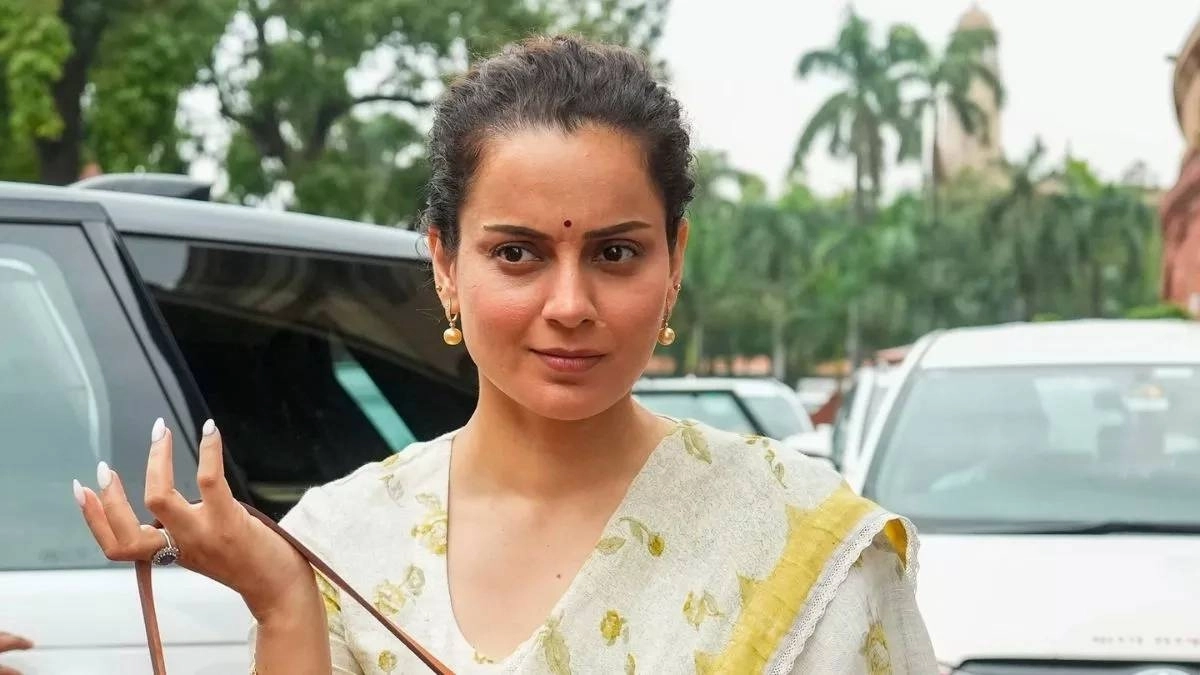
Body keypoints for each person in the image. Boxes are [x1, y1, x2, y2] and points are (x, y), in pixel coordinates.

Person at [74, 35, 936, 674]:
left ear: (675, 260)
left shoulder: (795, 536)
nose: (570, 305)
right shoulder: (341, 542)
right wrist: (282, 600)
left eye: (616, 252)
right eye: (517, 253)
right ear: (445, 263)